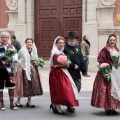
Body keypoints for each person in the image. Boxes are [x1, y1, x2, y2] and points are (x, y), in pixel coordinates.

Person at [91, 34, 120, 115]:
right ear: (108, 41)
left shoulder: (117, 49)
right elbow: (100, 60)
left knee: (114, 90)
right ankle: (107, 108)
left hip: (115, 72)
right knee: (106, 90)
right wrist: (105, 70)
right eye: (111, 40)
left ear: (116, 41)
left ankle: (112, 107)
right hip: (106, 71)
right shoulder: (105, 49)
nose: (112, 41)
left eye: (114, 40)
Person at [49, 36, 79, 115]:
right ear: (56, 44)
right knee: (58, 89)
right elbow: (57, 65)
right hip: (57, 73)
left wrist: (67, 64)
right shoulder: (55, 53)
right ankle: (57, 107)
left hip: (62, 72)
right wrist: (66, 65)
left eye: (62, 43)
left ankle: (55, 105)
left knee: (64, 89)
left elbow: (64, 63)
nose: (61, 44)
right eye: (60, 43)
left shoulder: (61, 52)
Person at [15, 38, 43, 108]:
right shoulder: (22, 51)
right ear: (25, 43)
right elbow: (18, 59)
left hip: (32, 70)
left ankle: (29, 102)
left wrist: (37, 63)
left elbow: (36, 59)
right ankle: (18, 101)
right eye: (28, 42)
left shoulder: (34, 50)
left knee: (31, 84)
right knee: (21, 85)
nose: (29, 43)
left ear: (32, 43)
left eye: (30, 42)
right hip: (23, 69)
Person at [64, 31, 86, 113]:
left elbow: (81, 59)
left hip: (77, 73)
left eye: (73, 38)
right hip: (69, 72)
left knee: (78, 87)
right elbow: (67, 59)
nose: (72, 39)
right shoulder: (65, 48)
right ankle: (70, 105)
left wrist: (84, 70)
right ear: (68, 39)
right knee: (70, 89)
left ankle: (71, 102)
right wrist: (73, 65)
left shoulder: (77, 47)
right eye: (70, 38)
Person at [0, 32, 18, 111]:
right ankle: (2, 103)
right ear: (1, 38)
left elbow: (16, 58)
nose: (4, 39)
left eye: (6, 37)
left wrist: (11, 58)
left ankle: (12, 103)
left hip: (9, 70)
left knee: (11, 86)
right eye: (3, 37)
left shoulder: (12, 47)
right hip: (0, 70)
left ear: (8, 38)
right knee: (0, 87)